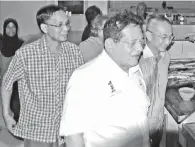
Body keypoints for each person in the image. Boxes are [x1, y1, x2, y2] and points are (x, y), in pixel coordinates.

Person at [60, 11, 150, 147]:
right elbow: (73, 137)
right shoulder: (85, 77)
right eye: (132, 43)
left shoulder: (135, 71)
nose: (139, 48)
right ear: (110, 45)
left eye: (141, 42)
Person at [1, 5, 84, 147]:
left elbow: (80, 87)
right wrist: (7, 115)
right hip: (37, 131)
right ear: (45, 28)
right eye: (59, 25)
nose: (66, 28)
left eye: (67, 23)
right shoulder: (26, 55)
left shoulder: (74, 52)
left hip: (66, 129)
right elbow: (7, 85)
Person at [140, 15, 173, 147]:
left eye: (171, 37)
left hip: (158, 124)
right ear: (148, 35)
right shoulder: (137, 59)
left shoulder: (166, 56)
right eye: (164, 37)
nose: (168, 42)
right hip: (140, 129)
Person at [1, 18, 24, 140]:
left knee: (16, 108)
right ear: (4, 29)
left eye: (13, 27)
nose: (11, 30)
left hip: (18, 84)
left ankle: (17, 130)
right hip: (3, 83)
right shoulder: (0, 45)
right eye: (8, 27)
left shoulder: (22, 45)